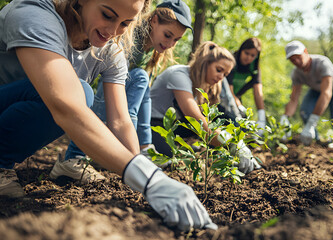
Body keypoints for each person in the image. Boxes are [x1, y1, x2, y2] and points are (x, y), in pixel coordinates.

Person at [0, 0, 216, 231]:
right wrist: (146, 177)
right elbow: (65, 105)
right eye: (107, 15)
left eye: (125, 23)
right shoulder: (34, 13)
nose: (112, 31)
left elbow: (121, 120)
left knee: (83, 93)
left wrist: (146, 176)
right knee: (81, 93)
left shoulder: (110, 51)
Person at [60, 0, 193, 176]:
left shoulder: (150, 51)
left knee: (142, 78)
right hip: (101, 93)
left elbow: (142, 96)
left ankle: (144, 148)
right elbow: (106, 85)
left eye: (176, 40)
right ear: (153, 20)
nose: (170, 44)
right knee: (138, 77)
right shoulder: (130, 38)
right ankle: (74, 156)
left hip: (119, 98)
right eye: (168, 35)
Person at [150, 41, 260, 174]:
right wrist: (233, 145)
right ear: (205, 62)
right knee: (165, 159)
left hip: (173, 126)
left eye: (225, 74)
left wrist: (237, 144)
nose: (221, 77)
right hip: (153, 123)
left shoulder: (203, 85)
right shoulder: (179, 75)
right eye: (219, 70)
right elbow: (196, 120)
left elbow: (210, 122)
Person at [281, 40, 333, 146]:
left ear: (305, 52)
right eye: (293, 60)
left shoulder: (322, 63)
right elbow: (294, 99)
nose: (297, 62)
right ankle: (316, 142)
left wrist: (312, 122)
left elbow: (326, 93)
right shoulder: (296, 73)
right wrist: (285, 117)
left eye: (298, 57)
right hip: (316, 90)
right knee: (305, 112)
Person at [226, 37, 266, 135]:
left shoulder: (254, 67)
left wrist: (262, 117)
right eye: (246, 53)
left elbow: (258, 91)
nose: (248, 58)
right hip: (224, 95)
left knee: (242, 125)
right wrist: (239, 105)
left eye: (252, 55)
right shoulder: (231, 61)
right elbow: (228, 89)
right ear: (241, 51)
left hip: (237, 97)